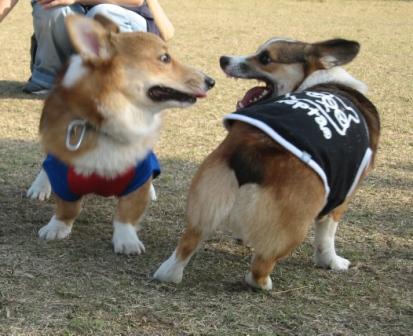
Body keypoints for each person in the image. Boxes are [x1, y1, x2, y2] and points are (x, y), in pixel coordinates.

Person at [1, 0, 174, 95]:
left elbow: (134, 0)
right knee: (51, 6)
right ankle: (49, 80)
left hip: (125, 17)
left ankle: (120, 82)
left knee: (101, 13)